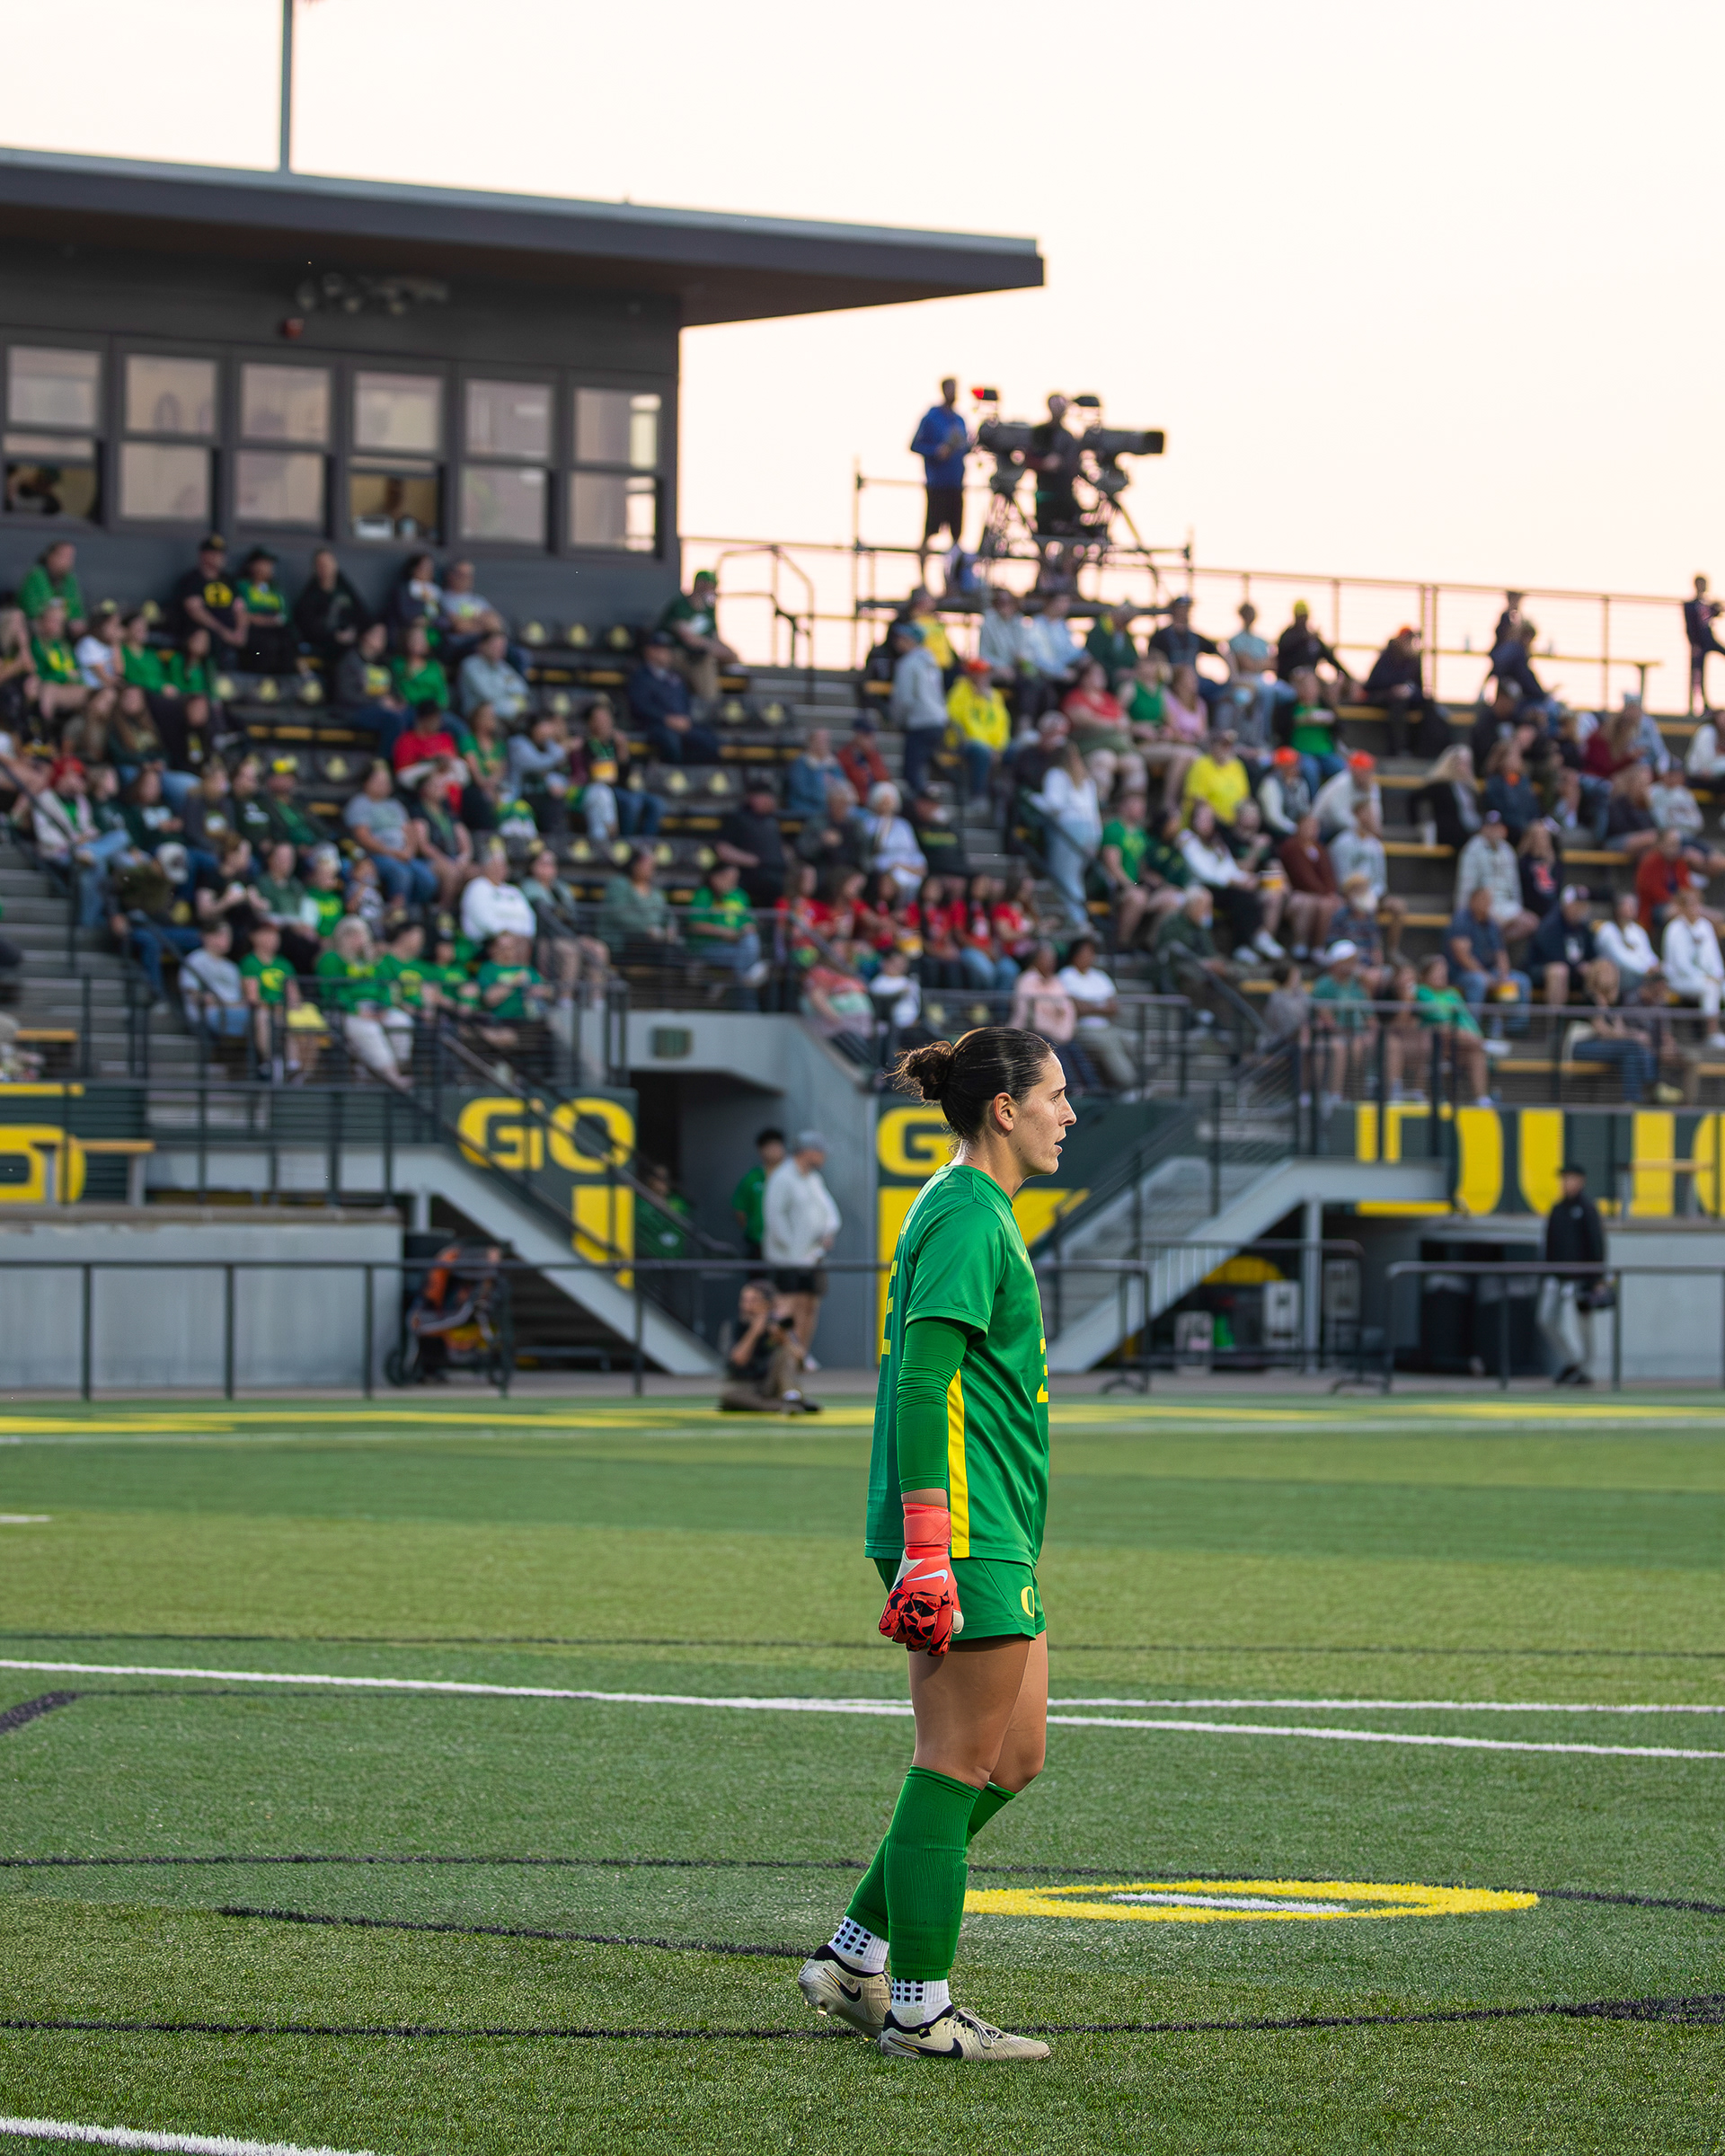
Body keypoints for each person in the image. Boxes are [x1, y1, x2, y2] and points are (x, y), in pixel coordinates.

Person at [797, 1029, 1069, 2062]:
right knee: (954, 1759)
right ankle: (919, 2010)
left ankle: (855, 1956)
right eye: (1054, 1095)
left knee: (1013, 1756)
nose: (1067, 1115)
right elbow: (922, 1382)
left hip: (990, 1525)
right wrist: (927, 1547)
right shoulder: (963, 1211)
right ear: (1004, 1108)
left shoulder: (971, 1205)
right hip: (960, 1528)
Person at [764, 1130, 840, 1366]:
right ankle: (783, 1358)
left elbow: (828, 1212)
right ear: (807, 1152)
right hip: (788, 1259)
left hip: (814, 1257)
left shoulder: (814, 1179)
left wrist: (827, 1232)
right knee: (788, 1306)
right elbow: (775, 1217)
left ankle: (800, 1356)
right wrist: (793, 1249)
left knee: (809, 1305)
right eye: (820, 1151)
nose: (823, 1156)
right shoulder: (782, 1178)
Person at [1540, 1162, 1606, 1386]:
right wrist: (1548, 1272)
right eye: (1564, 1179)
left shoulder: (1587, 1208)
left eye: (1571, 1178)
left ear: (1581, 1181)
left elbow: (1596, 1243)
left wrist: (1597, 1278)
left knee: (1584, 1326)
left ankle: (1585, 1369)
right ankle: (1572, 1362)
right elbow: (1550, 1243)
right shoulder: (1558, 1209)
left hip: (1582, 1278)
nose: (1567, 1183)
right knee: (1546, 1319)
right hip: (1558, 1276)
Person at [344, 760, 438, 909]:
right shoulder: (359, 804)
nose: (384, 785)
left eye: (386, 781)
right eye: (379, 781)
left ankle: (413, 911)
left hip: (403, 854)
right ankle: (396, 912)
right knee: (402, 874)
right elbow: (363, 838)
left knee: (428, 878)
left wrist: (409, 850)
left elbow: (409, 831)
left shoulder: (395, 805)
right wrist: (392, 853)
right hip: (376, 855)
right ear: (367, 782)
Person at [720, 1278, 818, 1414]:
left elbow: (801, 1363)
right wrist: (755, 1331)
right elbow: (738, 1360)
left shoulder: (777, 1326)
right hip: (746, 1386)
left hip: (770, 1383)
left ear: (767, 1305)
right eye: (744, 1300)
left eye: (753, 1301)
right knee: (730, 1396)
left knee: (784, 1353)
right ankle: (783, 1405)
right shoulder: (733, 1326)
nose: (747, 1306)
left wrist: (784, 1340)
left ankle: (791, 1397)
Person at [1447, 883, 1529, 1042]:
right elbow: (1463, 956)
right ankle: (1472, 1031)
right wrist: (1487, 977)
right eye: (1483, 899)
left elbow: (1501, 953)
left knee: (1521, 981)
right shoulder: (1461, 919)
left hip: (1489, 972)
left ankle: (1514, 1031)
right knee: (1478, 982)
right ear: (1473, 900)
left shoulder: (1492, 923)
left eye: (1489, 900)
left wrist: (1503, 976)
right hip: (1461, 973)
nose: (1487, 903)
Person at [1056, 935, 1134, 1090]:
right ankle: (1128, 1085)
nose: (1090, 956)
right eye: (1086, 952)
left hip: (1107, 1028)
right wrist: (1100, 1006)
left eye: (1092, 953)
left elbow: (1114, 1008)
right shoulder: (1066, 975)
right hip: (1083, 1029)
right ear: (1075, 954)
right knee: (1109, 1046)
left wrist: (1089, 1005)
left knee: (1133, 1042)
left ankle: (1139, 1084)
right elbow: (1078, 1008)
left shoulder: (1100, 976)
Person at [628, 632, 720, 764]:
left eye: (667, 649)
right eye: (660, 649)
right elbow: (640, 706)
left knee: (709, 740)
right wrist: (666, 719)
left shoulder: (676, 676)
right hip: (656, 724)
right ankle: (671, 772)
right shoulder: (640, 677)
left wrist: (685, 719)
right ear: (649, 651)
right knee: (670, 740)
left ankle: (691, 772)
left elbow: (685, 701)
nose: (666, 653)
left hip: (682, 723)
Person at [911, 378, 970, 573]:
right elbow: (915, 445)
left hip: (956, 485)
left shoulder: (959, 420)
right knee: (929, 533)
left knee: (956, 536)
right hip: (937, 485)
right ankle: (922, 578)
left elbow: (965, 447)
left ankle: (953, 578)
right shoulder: (931, 418)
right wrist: (936, 451)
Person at [658, 569, 739, 702]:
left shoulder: (709, 609)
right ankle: (709, 703)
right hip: (676, 653)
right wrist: (713, 648)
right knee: (706, 661)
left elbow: (715, 638)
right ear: (700, 584)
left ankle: (733, 704)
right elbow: (688, 638)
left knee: (730, 659)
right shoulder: (681, 605)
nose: (713, 589)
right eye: (710, 585)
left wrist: (729, 653)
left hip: (702, 653)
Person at [1455, 810, 1537, 941]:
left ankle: (1493, 943)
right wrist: (1462, 917)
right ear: (1483, 829)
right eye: (1490, 827)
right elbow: (1466, 886)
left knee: (1532, 922)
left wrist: (1519, 909)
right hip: (1483, 905)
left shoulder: (1508, 851)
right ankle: (1492, 944)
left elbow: (1515, 887)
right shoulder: (1472, 850)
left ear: (1503, 830)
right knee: (1494, 923)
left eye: (1496, 827)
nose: (1493, 831)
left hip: (1506, 905)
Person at [1661, 882, 1725, 1048]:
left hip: (1705, 977)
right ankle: (1712, 1033)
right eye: (1690, 904)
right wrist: (1707, 977)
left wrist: (1718, 974)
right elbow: (1681, 965)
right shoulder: (1673, 929)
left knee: (1719, 985)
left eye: (1697, 904)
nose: (1694, 908)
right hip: (1679, 979)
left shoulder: (1705, 926)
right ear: (1681, 907)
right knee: (1711, 987)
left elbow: (1714, 958)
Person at [1365, 626, 1446, 757]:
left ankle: (1428, 750)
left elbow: (1419, 688)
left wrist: (1410, 691)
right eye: (1407, 639)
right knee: (1398, 704)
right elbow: (1373, 684)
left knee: (1429, 704)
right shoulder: (1387, 657)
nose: (1410, 643)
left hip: (1408, 699)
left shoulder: (1414, 661)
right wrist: (1394, 690)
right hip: (1385, 698)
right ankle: (1399, 749)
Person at [294, 549, 370, 669]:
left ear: (335, 564)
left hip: (352, 641)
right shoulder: (310, 595)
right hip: (325, 645)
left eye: (328, 563)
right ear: (315, 568)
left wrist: (354, 632)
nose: (325, 568)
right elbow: (306, 625)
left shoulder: (345, 589)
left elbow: (363, 615)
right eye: (321, 564)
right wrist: (334, 636)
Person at [1526, 884, 1597, 1012]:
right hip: (1540, 970)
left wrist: (1593, 966)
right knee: (1559, 971)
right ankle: (1556, 1021)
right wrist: (1578, 967)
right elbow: (1555, 957)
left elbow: (1593, 956)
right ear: (1566, 904)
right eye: (1576, 905)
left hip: (1574, 971)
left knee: (1603, 968)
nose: (1580, 910)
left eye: (1583, 905)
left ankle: (1601, 1018)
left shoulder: (1584, 927)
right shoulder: (1551, 925)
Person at [945, 660, 1010, 800]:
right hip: (965, 742)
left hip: (993, 747)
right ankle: (977, 797)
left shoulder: (995, 696)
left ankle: (1005, 800)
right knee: (981, 751)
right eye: (979, 673)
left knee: (1015, 752)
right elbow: (954, 718)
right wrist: (975, 697)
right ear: (971, 674)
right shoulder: (960, 691)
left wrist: (998, 748)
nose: (983, 677)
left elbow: (1003, 725)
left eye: (985, 673)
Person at [172, 535, 247, 654]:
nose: (219, 557)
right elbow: (195, 610)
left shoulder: (229, 580)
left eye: (221, 554)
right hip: (209, 630)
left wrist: (241, 632)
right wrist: (223, 632)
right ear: (203, 555)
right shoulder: (192, 580)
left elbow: (240, 608)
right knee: (201, 640)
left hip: (232, 631)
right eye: (214, 554)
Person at [458, 627, 533, 726]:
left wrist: (511, 703)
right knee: (488, 710)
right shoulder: (470, 665)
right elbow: (488, 695)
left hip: (505, 714)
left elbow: (521, 690)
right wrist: (511, 701)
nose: (499, 650)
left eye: (502, 647)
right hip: (476, 716)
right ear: (482, 646)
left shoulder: (503, 667)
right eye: (495, 646)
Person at [732, 1128, 787, 1262]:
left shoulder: (792, 1178)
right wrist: (753, 1229)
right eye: (769, 1146)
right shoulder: (752, 1178)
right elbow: (740, 1209)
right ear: (761, 1150)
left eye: (777, 1146)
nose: (774, 1150)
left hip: (787, 1243)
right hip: (757, 1241)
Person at [237, 549, 294, 673]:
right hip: (253, 632)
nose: (269, 568)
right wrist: (259, 619)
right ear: (253, 566)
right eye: (264, 563)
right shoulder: (243, 587)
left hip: (276, 631)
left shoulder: (276, 591)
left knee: (290, 639)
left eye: (270, 565)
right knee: (264, 645)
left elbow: (284, 617)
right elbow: (241, 613)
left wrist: (267, 620)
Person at [1597, 890, 1659, 998]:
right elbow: (1619, 958)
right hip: (1617, 978)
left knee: (1660, 980)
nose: (1632, 908)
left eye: (1634, 905)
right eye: (1628, 905)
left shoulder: (1638, 930)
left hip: (1639, 977)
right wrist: (1645, 970)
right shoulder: (1607, 930)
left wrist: (1655, 964)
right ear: (1618, 908)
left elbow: (1647, 953)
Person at [1686, 576, 1725, 716]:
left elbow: (1716, 612)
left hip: (1710, 640)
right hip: (1699, 644)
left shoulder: (1707, 603)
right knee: (1698, 674)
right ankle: (1703, 705)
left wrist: (1716, 607)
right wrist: (1694, 644)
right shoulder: (1690, 605)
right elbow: (1689, 627)